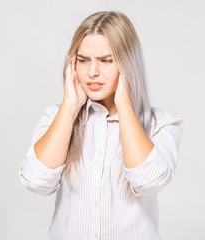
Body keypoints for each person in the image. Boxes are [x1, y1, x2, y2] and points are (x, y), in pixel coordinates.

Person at [19, 10, 183, 240]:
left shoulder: (160, 124)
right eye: (83, 60)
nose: (92, 72)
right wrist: (70, 105)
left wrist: (123, 102)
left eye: (106, 61)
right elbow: (36, 181)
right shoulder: (56, 118)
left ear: (128, 64)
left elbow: (148, 182)